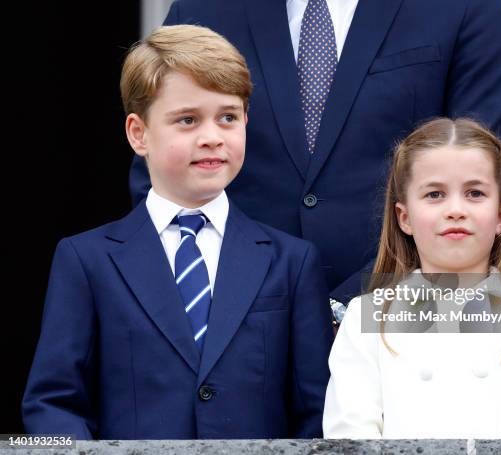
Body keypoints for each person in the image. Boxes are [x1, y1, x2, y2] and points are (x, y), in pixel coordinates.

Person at [22, 24, 333, 439]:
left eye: (227, 117)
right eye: (187, 120)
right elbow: (53, 404)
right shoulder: (86, 259)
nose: (211, 137)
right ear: (139, 133)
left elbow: (317, 412)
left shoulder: (292, 261)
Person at [129, 0, 501, 313]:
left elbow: (484, 173)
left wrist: (357, 305)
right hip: (238, 331)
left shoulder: (469, 6)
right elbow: (161, 183)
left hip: (405, 319)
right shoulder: (204, 8)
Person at [322, 118, 501, 438]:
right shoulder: (365, 320)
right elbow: (350, 439)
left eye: (475, 193)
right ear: (405, 217)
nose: (455, 209)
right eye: (435, 194)